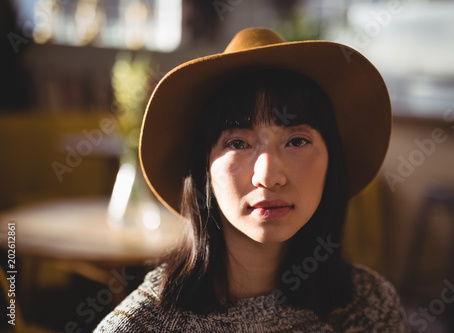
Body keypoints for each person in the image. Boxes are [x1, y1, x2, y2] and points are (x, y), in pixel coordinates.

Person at [95, 27, 409, 332]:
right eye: (238, 143)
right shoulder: (140, 327)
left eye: (297, 141)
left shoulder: (371, 307)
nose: (269, 177)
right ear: (204, 169)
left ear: (332, 161)